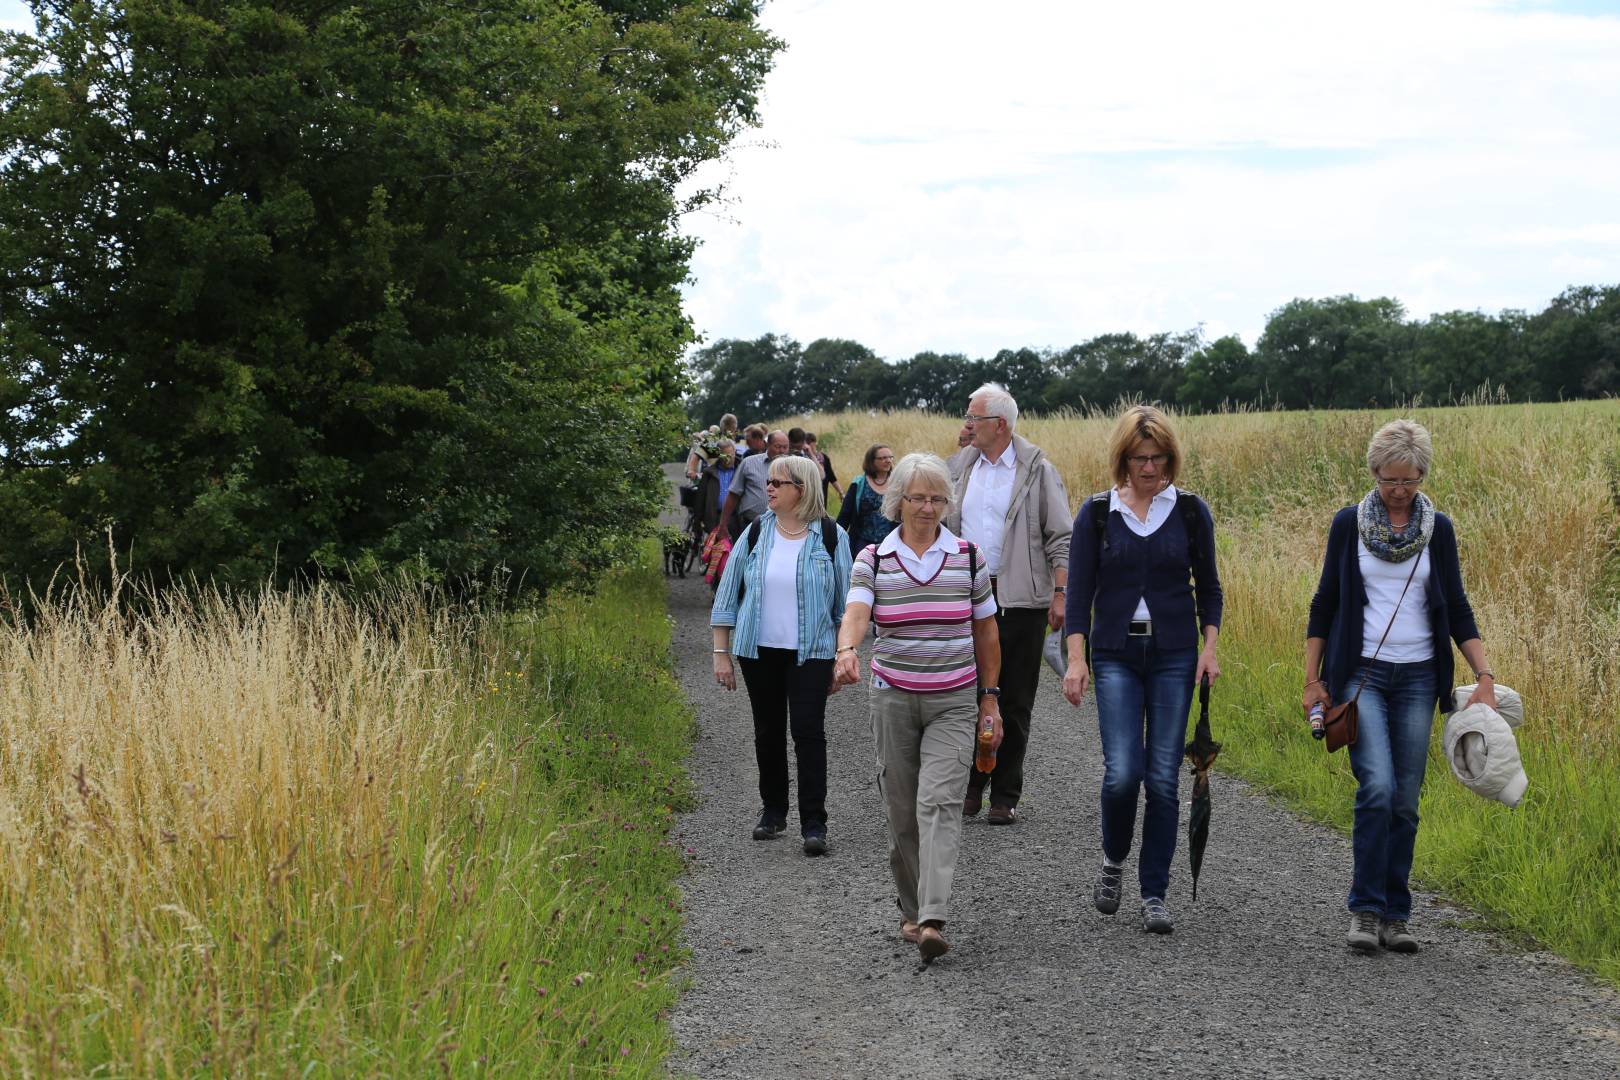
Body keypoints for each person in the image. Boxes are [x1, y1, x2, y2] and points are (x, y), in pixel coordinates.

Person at [1302, 419, 1496, 954]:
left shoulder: (1440, 530)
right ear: (1373, 473)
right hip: (1360, 677)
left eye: (1409, 481)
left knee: (1406, 801)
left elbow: (1456, 606)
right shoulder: (1348, 525)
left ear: (1422, 476)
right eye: (1390, 480)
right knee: (1379, 787)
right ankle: (1365, 911)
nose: (1398, 492)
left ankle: (1396, 915)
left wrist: (1484, 675)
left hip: (1417, 677)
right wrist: (1313, 680)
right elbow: (1325, 603)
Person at [834, 452, 1001, 961]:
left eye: (937, 498)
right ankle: (910, 908)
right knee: (902, 809)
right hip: (894, 698)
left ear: (947, 504)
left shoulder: (969, 557)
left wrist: (990, 697)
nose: (927, 508)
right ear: (897, 501)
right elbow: (858, 610)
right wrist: (846, 649)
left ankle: (932, 918)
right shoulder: (874, 559)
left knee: (940, 803)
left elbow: (986, 629)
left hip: (954, 699)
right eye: (917, 497)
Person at [1062, 405, 1222, 935]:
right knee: (1123, 772)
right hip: (1115, 656)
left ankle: (1154, 892)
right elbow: (1080, 592)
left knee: (1163, 779)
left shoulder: (1192, 512)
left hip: (1176, 654)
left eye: (1157, 458)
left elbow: (1211, 589)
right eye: (1138, 459)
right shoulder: (1098, 513)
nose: (1149, 469)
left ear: (1170, 459)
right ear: (1122, 459)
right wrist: (1077, 660)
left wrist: (1209, 649)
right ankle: (1113, 859)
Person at [712, 454, 853, 855]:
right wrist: (721, 653)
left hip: (812, 652)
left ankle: (814, 823)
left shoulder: (830, 536)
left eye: (778, 482)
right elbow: (727, 595)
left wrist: (845, 653)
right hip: (759, 652)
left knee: (808, 733)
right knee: (767, 731)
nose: (768, 488)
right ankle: (773, 813)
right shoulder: (756, 531)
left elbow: (846, 605)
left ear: (802, 489)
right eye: (768, 481)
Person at [947, 384, 1071, 826]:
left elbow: (1061, 536)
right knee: (964, 694)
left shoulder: (1037, 470)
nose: (966, 425)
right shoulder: (960, 466)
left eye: (973, 417)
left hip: (1021, 600)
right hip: (966, 596)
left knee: (1014, 699)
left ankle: (1005, 792)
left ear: (999, 425)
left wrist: (1060, 593)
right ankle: (970, 784)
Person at [720, 429, 789, 539]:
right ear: (767, 445)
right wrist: (723, 524)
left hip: (783, 528)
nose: (782, 451)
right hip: (751, 525)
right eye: (778, 446)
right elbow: (733, 494)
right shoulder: (749, 463)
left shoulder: (794, 468)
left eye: (785, 447)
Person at [835, 444, 897, 556]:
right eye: (883, 458)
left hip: (891, 543)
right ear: (871, 461)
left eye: (890, 457)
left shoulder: (898, 484)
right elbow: (845, 514)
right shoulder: (858, 484)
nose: (888, 461)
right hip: (862, 543)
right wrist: (834, 539)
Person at [803, 432, 843, 505]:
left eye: (810, 443)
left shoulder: (824, 458)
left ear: (815, 443)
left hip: (822, 500)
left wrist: (841, 492)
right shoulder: (803, 459)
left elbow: (832, 477)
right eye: (807, 444)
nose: (808, 446)